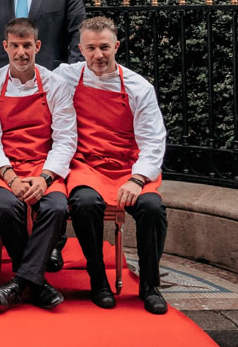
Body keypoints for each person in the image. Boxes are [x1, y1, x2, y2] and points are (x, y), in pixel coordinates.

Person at [56, 17, 169, 315]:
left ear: (116, 46)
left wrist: (137, 179)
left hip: (128, 167)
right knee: (83, 203)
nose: (98, 55)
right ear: (80, 48)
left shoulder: (138, 87)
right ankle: (98, 280)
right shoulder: (65, 77)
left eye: (104, 47)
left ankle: (150, 285)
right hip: (86, 166)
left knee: (153, 209)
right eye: (90, 48)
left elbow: (153, 140)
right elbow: (27, 78)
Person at [0, 18, 77, 313]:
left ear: (37, 46)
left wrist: (45, 178)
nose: (21, 52)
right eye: (15, 46)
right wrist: (11, 178)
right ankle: (36, 284)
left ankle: (19, 284)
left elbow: (65, 139)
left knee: (56, 208)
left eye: (27, 46)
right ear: (5, 47)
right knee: (8, 208)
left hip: (43, 165)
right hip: (3, 168)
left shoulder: (55, 84)